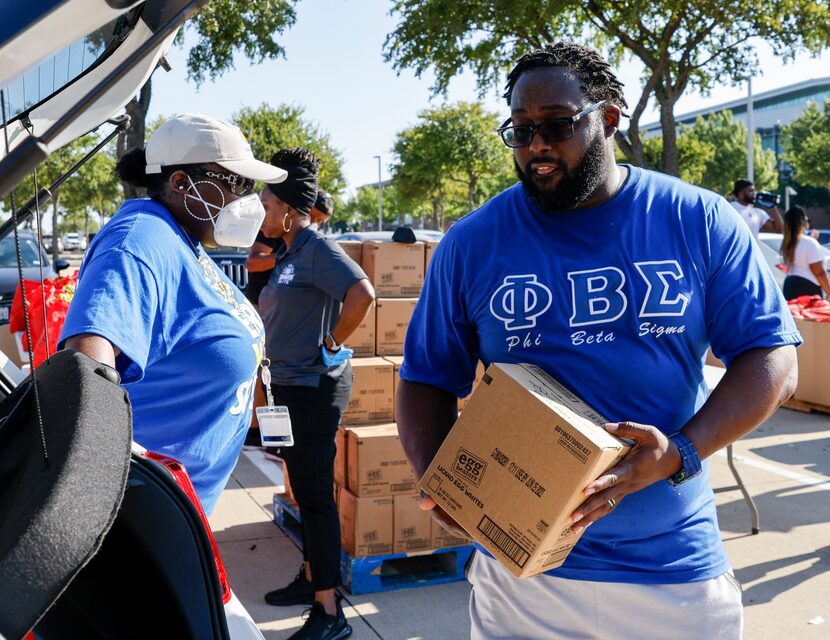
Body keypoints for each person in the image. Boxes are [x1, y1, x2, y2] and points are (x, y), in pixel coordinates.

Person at [397, 42, 799, 640]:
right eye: (521, 130)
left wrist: (679, 453)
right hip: (523, 579)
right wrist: (440, 480)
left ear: (608, 118)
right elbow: (427, 376)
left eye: (556, 125)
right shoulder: (473, 243)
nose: (536, 146)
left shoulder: (697, 220)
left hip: (671, 574)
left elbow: (771, 356)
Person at [59, 113, 285, 515]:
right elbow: (84, 370)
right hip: (141, 521)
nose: (248, 200)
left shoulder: (182, 238)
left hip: (178, 514)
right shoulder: (140, 240)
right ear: (182, 184)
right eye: (238, 184)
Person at [258, 148, 374, 640]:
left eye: (266, 206)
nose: (263, 214)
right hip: (289, 386)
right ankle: (312, 580)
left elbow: (364, 295)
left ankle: (329, 612)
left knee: (317, 498)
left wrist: (331, 342)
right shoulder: (288, 252)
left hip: (313, 388)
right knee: (305, 492)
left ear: (287, 210)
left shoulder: (316, 248)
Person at [246, 189, 334, 307]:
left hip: (286, 308)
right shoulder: (275, 228)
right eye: (312, 218)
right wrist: (287, 256)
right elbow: (252, 263)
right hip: (260, 306)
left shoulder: (313, 240)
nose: (315, 225)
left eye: (320, 222)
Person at [781, 206, 830, 299]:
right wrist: (829, 292)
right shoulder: (808, 242)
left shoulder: (788, 242)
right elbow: (819, 272)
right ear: (803, 222)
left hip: (789, 286)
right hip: (807, 288)